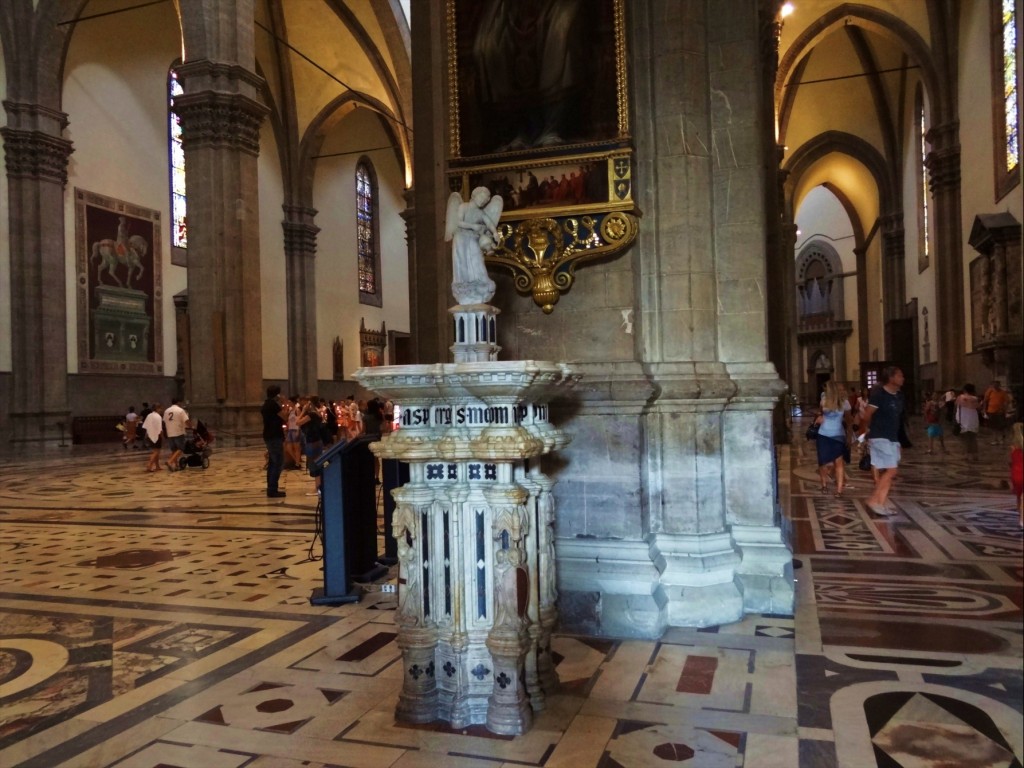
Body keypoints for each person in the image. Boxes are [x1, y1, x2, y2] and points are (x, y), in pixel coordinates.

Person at [445, 187, 502, 305]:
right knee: (462, 260)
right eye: (482, 197)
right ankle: (463, 284)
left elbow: (489, 224)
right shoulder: (464, 207)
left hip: (473, 238)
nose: (483, 201)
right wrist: (473, 226)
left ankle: (481, 281)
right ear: (474, 195)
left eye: (485, 201)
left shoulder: (481, 213)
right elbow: (458, 222)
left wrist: (495, 233)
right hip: (461, 237)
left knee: (477, 258)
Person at [861, 366, 905, 516]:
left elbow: (897, 419)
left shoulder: (899, 396)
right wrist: (866, 431)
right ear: (891, 378)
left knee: (888, 472)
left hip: (892, 437)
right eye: (899, 376)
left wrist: (899, 441)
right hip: (879, 436)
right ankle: (874, 500)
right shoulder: (879, 395)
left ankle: (881, 503)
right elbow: (867, 415)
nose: (902, 378)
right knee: (892, 470)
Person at [814, 381, 852, 496]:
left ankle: (839, 490)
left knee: (838, 462)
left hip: (838, 435)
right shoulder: (824, 400)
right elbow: (820, 412)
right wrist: (819, 416)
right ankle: (824, 484)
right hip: (823, 434)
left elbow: (849, 420)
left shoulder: (844, 402)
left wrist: (849, 435)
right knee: (823, 462)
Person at [261, 385, 289, 498]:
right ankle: (272, 489)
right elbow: (285, 417)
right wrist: (284, 404)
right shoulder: (273, 405)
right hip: (274, 436)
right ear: (277, 394)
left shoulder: (266, 404)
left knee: (272, 463)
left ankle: (271, 488)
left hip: (269, 435)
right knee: (278, 462)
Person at [162, 398, 190, 471]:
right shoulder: (180, 410)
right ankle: (170, 461)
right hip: (178, 432)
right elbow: (186, 420)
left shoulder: (166, 411)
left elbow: (164, 421)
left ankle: (176, 465)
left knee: (174, 450)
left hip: (170, 433)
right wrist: (191, 426)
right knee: (180, 448)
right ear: (178, 402)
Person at [955, 383, 982, 457]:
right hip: (973, 420)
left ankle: (967, 454)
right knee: (973, 438)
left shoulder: (960, 397)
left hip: (963, 420)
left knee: (965, 439)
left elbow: (956, 405)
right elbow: (979, 408)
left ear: (964, 390)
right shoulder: (975, 399)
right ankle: (975, 454)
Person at [981, 380, 1010, 445]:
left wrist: (1004, 409)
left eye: (997, 385)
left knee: (1001, 426)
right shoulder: (989, 391)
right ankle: (995, 439)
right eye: (994, 385)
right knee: (993, 427)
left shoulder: (1003, 392)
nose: (995, 386)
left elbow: (1007, 401)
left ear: (999, 385)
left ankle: (1002, 439)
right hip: (991, 411)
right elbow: (985, 401)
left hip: (1000, 412)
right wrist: (984, 409)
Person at [142, 403, 164, 473]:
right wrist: (162, 437)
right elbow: (160, 429)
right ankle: (149, 465)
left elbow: (145, 426)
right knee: (156, 452)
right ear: (157, 408)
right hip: (157, 435)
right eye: (160, 408)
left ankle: (157, 466)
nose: (161, 410)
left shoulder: (149, 415)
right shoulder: (158, 417)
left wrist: (146, 435)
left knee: (155, 451)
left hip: (150, 435)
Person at [1010, 422, 1023, 528]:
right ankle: (1022, 519)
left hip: (1016, 474)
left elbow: (1012, 461)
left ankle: (1020, 517)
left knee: (1019, 497)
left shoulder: (1013, 447)